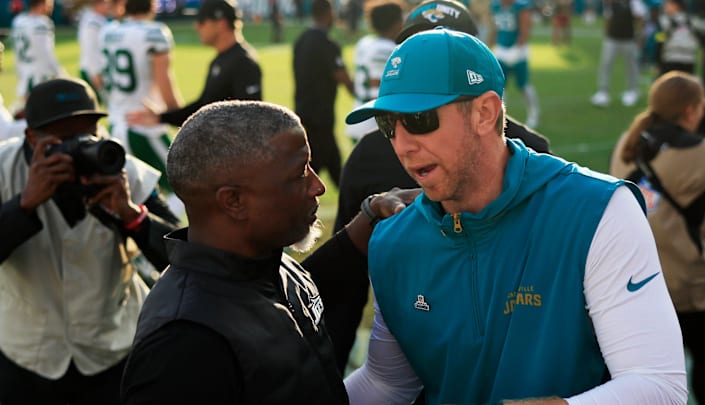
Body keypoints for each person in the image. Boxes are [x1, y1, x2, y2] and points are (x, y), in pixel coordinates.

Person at [343, 29, 687, 404]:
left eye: (421, 119)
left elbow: (658, 385)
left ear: (485, 113)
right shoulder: (394, 241)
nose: (403, 145)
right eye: (388, 125)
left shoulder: (596, 211)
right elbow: (387, 383)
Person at [119, 100, 417, 403]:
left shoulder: (266, 264)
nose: (318, 186)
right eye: (300, 173)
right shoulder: (183, 342)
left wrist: (370, 215)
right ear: (233, 201)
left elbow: (283, 302)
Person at [312, 0, 551, 375]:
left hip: (508, 353)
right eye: (416, 47)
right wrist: (330, 378)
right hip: (411, 353)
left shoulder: (531, 152)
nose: (405, 144)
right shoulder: (372, 153)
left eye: (446, 50)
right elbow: (348, 282)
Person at [0, 77, 177, 405]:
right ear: (30, 137)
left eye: (86, 135)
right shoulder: (3, 169)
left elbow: (182, 259)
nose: (79, 148)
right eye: (63, 139)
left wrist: (131, 215)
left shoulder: (124, 170)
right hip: (25, 355)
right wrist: (23, 204)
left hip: (113, 350)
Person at [609, 71, 705, 405]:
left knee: (647, 380)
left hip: (634, 284)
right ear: (690, 111)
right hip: (688, 288)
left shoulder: (628, 142)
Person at [100, 0, 184, 214]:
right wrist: (181, 119)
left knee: (134, 195)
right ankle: (163, 243)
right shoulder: (154, 33)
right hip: (144, 126)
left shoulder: (109, 32)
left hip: (116, 125)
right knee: (185, 188)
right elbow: (165, 82)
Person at [125, 0, 262, 129]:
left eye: (201, 21)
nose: (196, 26)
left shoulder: (243, 62)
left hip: (233, 152)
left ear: (221, 24)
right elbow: (202, 108)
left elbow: (251, 119)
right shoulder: (220, 60)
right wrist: (161, 118)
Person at [293, 0, 354, 188]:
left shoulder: (301, 39)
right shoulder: (327, 43)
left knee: (322, 166)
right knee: (325, 171)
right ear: (328, 12)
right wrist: (361, 95)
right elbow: (341, 75)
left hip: (302, 112)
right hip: (321, 115)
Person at [346, 0, 405, 143]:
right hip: (373, 124)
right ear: (395, 22)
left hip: (359, 113)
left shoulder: (365, 43)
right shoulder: (385, 49)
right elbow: (377, 88)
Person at [489, 0, 540, 128]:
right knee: (500, 86)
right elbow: (495, 27)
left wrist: (518, 48)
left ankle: (534, 113)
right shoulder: (496, 6)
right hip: (501, 49)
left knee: (523, 84)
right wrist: (490, 44)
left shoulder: (520, 6)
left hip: (517, 51)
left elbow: (526, 29)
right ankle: (500, 116)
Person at [10, 0, 66, 116]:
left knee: (30, 115)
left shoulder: (18, 21)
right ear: (42, 3)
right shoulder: (42, 23)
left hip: (25, 74)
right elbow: (45, 53)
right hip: (39, 76)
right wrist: (60, 73)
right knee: (43, 117)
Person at [590, 0, 647, 107]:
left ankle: (632, 91)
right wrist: (606, 34)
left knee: (631, 66)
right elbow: (608, 18)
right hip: (612, 39)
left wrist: (640, 35)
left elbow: (640, 18)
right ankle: (603, 92)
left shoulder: (634, 2)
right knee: (606, 65)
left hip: (628, 39)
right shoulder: (610, 3)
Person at [78, 0, 115, 103]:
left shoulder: (99, 20)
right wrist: (95, 73)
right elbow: (90, 48)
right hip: (93, 71)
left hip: (98, 70)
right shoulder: (92, 23)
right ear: (98, 4)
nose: (109, 6)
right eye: (106, 2)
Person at [655, 0, 699, 75]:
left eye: (668, 4)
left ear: (676, 5)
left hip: (669, 59)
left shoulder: (663, 21)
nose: (665, 7)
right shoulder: (693, 21)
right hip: (689, 60)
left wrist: (657, 61)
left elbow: (659, 42)